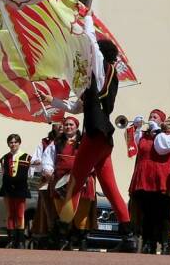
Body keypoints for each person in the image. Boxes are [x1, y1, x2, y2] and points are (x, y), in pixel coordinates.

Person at [50, 13, 135, 252]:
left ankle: (62, 234)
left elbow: (92, 46)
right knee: (109, 188)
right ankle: (129, 237)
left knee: (75, 183)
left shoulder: (102, 70)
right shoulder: (96, 82)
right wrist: (52, 101)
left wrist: (87, 19)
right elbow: (76, 107)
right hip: (104, 138)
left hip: (95, 135)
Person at [128, 109, 170, 255]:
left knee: (163, 214)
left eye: (155, 117)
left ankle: (165, 243)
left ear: (162, 122)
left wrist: (157, 131)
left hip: (162, 178)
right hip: (144, 178)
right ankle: (148, 243)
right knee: (147, 213)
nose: (152, 118)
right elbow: (133, 146)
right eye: (150, 116)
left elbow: (161, 149)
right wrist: (137, 127)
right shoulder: (143, 136)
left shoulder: (168, 136)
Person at [40, 115, 96, 249]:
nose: (68, 127)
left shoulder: (85, 143)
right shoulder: (56, 143)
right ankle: (66, 241)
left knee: (81, 214)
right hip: (60, 182)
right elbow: (48, 159)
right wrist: (47, 170)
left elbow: (93, 160)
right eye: (66, 125)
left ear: (77, 128)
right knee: (63, 213)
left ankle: (82, 241)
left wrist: (85, 171)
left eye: (71, 125)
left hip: (82, 182)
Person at [0, 134, 32, 248]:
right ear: (8, 144)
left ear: (19, 143)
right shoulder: (4, 157)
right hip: (7, 188)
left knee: (20, 214)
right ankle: (11, 239)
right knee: (10, 214)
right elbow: (3, 172)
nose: (13, 144)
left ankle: (20, 240)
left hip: (20, 188)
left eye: (15, 142)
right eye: (11, 142)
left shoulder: (27, 157)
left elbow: (29, 174)